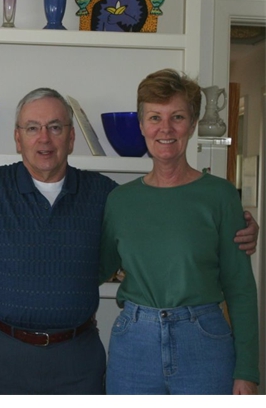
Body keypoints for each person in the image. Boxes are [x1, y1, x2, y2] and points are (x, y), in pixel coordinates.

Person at [0, 87, 260, 395]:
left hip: (78, 360)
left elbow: (160, 226)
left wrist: (237, 229)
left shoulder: (106, 195)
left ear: (71, 137)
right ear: (18, 138)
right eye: (32, 128)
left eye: (56, 127)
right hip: (2, 357)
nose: (44, 138)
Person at [99, 69, 259, 395]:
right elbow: (96, 268)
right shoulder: (119, 201)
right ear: (142, 125)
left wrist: (248, 370)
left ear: (193, 123)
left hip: (204, 340)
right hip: (134, 344)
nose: (165, 128)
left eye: (178, 117)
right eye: (155, 117)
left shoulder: (221, 196)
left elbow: (240, 289)